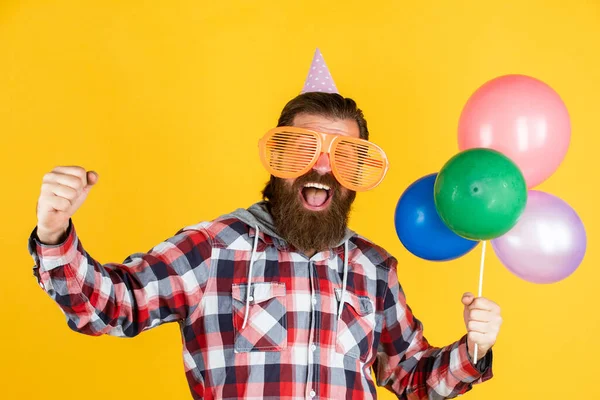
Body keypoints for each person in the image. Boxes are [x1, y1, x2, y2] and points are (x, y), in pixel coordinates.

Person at [28, 50, 501, 400]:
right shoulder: (213, 249)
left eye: (344, 157)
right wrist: (54, 233)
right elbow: (111, 307)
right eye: (302, 149)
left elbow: (414, 379)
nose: (320, 167)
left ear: (355, 176)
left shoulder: (375, 269)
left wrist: (473, 349)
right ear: (277, 161)